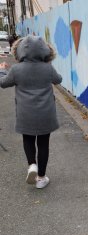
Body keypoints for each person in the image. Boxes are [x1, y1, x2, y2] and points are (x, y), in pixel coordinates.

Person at [0, 35, 62, 189]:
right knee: (43, 143)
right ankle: (41, 178)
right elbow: (58, 79)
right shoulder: (47, 67)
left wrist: (1, 71)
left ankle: (32, 165)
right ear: (44, 50)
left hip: (25, 112)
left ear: (20, 50)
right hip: (45, 112)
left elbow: (3, 83)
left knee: (27, 140)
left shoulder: (16, 69)